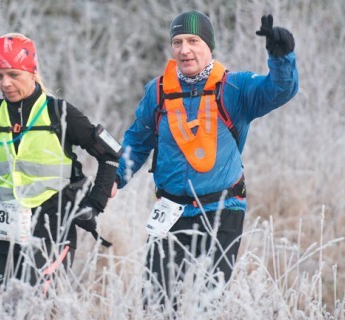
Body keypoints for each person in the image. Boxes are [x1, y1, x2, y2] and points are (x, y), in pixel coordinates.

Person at [113, 11, 298, 310]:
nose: (184, 49)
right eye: (177, 42)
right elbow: (137, 140)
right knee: (155, 302)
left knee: (207, 303)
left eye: (193, 40)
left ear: (209, 45)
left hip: (222, 208)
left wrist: (282, 57)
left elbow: (279, 90)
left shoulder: (234, 88)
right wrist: (115, 177)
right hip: (169, 210)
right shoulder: (157, 92)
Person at [0, 33, 120, 290]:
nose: (5, 83)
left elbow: (109, 155)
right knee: (12, 306)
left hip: (54, 221)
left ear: (32, 72)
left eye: (13, 74)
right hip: (7, 223)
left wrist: (94, 205)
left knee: (37, 305)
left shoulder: (59, 112)